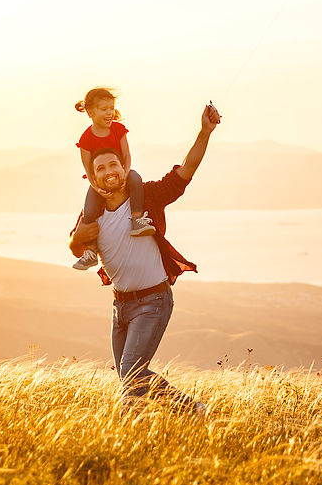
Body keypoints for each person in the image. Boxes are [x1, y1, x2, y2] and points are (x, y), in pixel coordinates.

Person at [70, 102, 222, 415]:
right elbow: (75, 247)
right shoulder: (92, 213)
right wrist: (80, 237)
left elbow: (185, 171)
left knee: (132, 374)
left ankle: (186, 412)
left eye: (113, 165)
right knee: (129, 380)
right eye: (101, 168)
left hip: (153, 301)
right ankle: (176, 418)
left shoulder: (148, 197)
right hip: (120, 306)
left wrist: (205, 132)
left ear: (123, 167)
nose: (109, 171)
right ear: (93, 178)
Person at [72, 87, 154, 271]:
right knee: (90, 209)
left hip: (122, 173)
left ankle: (137, 220)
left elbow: (127, 156)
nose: (109, 113)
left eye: (111, 108)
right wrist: (96, 187)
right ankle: (91, 252)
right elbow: (88, 169)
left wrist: (124, 174)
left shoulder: (118, 129)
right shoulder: (86, 139)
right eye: (104, 109)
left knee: (136, 178)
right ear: (91, 113)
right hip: (99, 181)